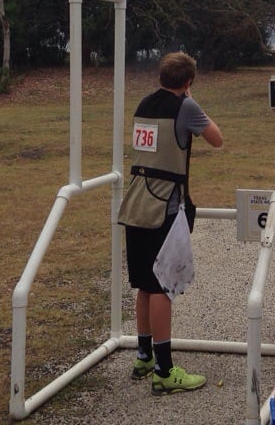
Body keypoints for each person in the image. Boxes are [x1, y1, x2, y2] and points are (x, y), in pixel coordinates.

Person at [118, 51, 223, 394]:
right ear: (188, 82)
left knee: (145, 285)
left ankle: (144, 355)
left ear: (160, 76)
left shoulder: (143, 104)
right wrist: (191, 100)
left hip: (136, 203)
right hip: (164, 206)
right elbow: (216, 138)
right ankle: (165, 370)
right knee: (163, 285)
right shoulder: (186, 107)